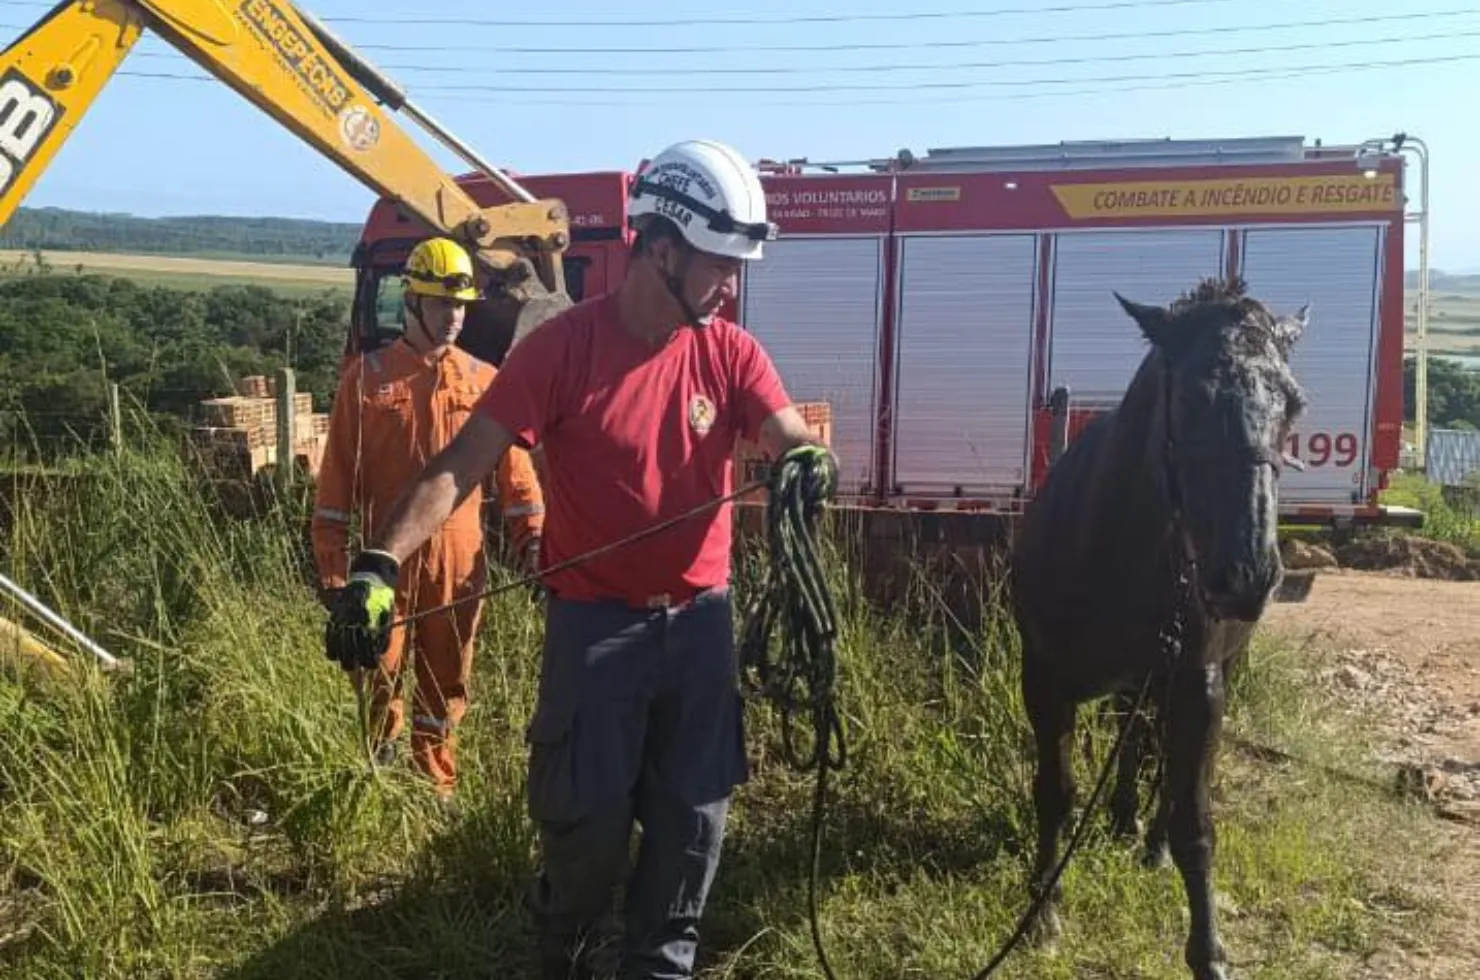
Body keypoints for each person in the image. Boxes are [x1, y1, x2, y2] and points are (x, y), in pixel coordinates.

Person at [323, 138, 838, 980]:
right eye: (719, 264)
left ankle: (657, 965)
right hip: (595, 633)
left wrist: (807, 458)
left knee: (691, 828)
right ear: (661, 249)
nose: (732, 284)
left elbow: (785, 431)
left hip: (701, 629)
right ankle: (562, 940)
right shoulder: (560, 351)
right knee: (586, 828)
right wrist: (378, 564)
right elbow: (461, 463)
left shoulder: (730, 352)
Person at [313, 235, 545, 799]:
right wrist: (337, 578)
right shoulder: (366, 380)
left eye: (462, 306)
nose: (454, 317)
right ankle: (379, 788)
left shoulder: (485, 381)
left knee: (447, 686)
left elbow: (517, 481)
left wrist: (535, 543)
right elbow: (336, 488)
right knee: (377, 678)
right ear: (413, 303)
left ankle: (435, 790)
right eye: (443, 304)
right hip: (384, 571)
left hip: (459, 569)